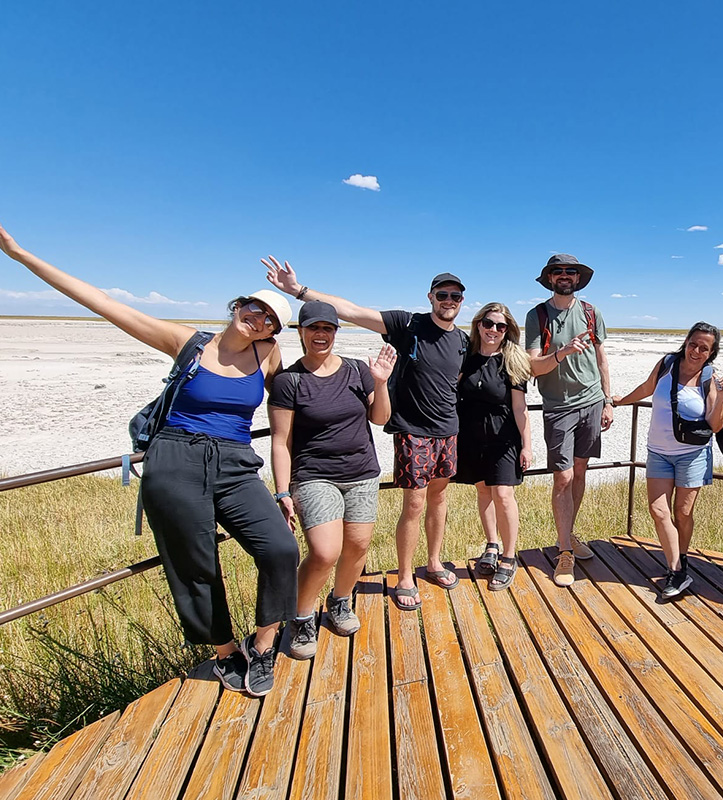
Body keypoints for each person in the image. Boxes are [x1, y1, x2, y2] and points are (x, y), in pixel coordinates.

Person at [0, 223, 298, 697]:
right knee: (193, 561)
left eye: (269, 318)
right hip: (175, 458)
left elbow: (299, 393)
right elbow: (103, 303)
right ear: (236, 305)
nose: (258, 319)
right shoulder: (188, 343)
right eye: (252, 307)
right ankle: (226, 653)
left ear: (275, 331)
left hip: (236, 463)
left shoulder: (268, 354)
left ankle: (263, 645)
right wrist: (19, 255)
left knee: (280, 549)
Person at [264, 257, 469, 610]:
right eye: (442, 294)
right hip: (413, 432)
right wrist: (298, 290)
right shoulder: (409, 324)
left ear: (461, 301)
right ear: (431, 297)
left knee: (439, 499)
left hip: (448, 431)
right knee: (414, 504)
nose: (448, 301)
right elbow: (351, 310)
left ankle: (434, 561)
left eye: (455, 296)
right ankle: (405, 576)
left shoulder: (463, 340)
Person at [268, 301, 396, 659]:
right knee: (324, 552)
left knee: (357, 546)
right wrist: (282, 491)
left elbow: (381, 419)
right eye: (314, 328)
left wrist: (381, 383)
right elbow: (281, 441)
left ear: (336, 333)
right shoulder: (289, 381)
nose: (321, 334)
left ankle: (340, 601)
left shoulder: (357, 371)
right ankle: (302, 616)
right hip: (313, 475)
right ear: (301, 332)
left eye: (328, 328)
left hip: (361, 473)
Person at [613, 323, 723, 599]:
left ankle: (681, 561)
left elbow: (715, 424)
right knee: (658, 511)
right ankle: (677, 569)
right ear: (686, 342)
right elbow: (647, 387)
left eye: (705, 348)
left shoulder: (709, 377)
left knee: (683, 512)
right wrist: (620, 401)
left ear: (711, 352)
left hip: (693, 454)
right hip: (658, 451)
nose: (697, 351)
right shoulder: (667, 363)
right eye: (693, 344)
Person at [524, 254, 613, 587]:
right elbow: (534, 366)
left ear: (578, 278)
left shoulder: (592, 312)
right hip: (558, 406)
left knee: (579, 472)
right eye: (558, 272)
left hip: (592, 402)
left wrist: (608, 400)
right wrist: (562, 352)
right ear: (549, 278)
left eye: (570, 272)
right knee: (561, 478)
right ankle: (565, 552)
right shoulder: (538, 315)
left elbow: (601, 358)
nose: (564, 276)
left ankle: (569, 535)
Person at [457, 303, 533, 592]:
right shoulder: (467, 359)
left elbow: (520, 408)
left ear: (507, 330)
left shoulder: (513, 361)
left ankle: (509, 556)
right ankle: (491, 544)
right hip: (471, 436)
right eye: (488, 324)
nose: (493, 330)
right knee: (483, 490)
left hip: (503, 437)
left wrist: (527, 446)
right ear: (479, 325)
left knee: (503, 494)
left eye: (500, 326)